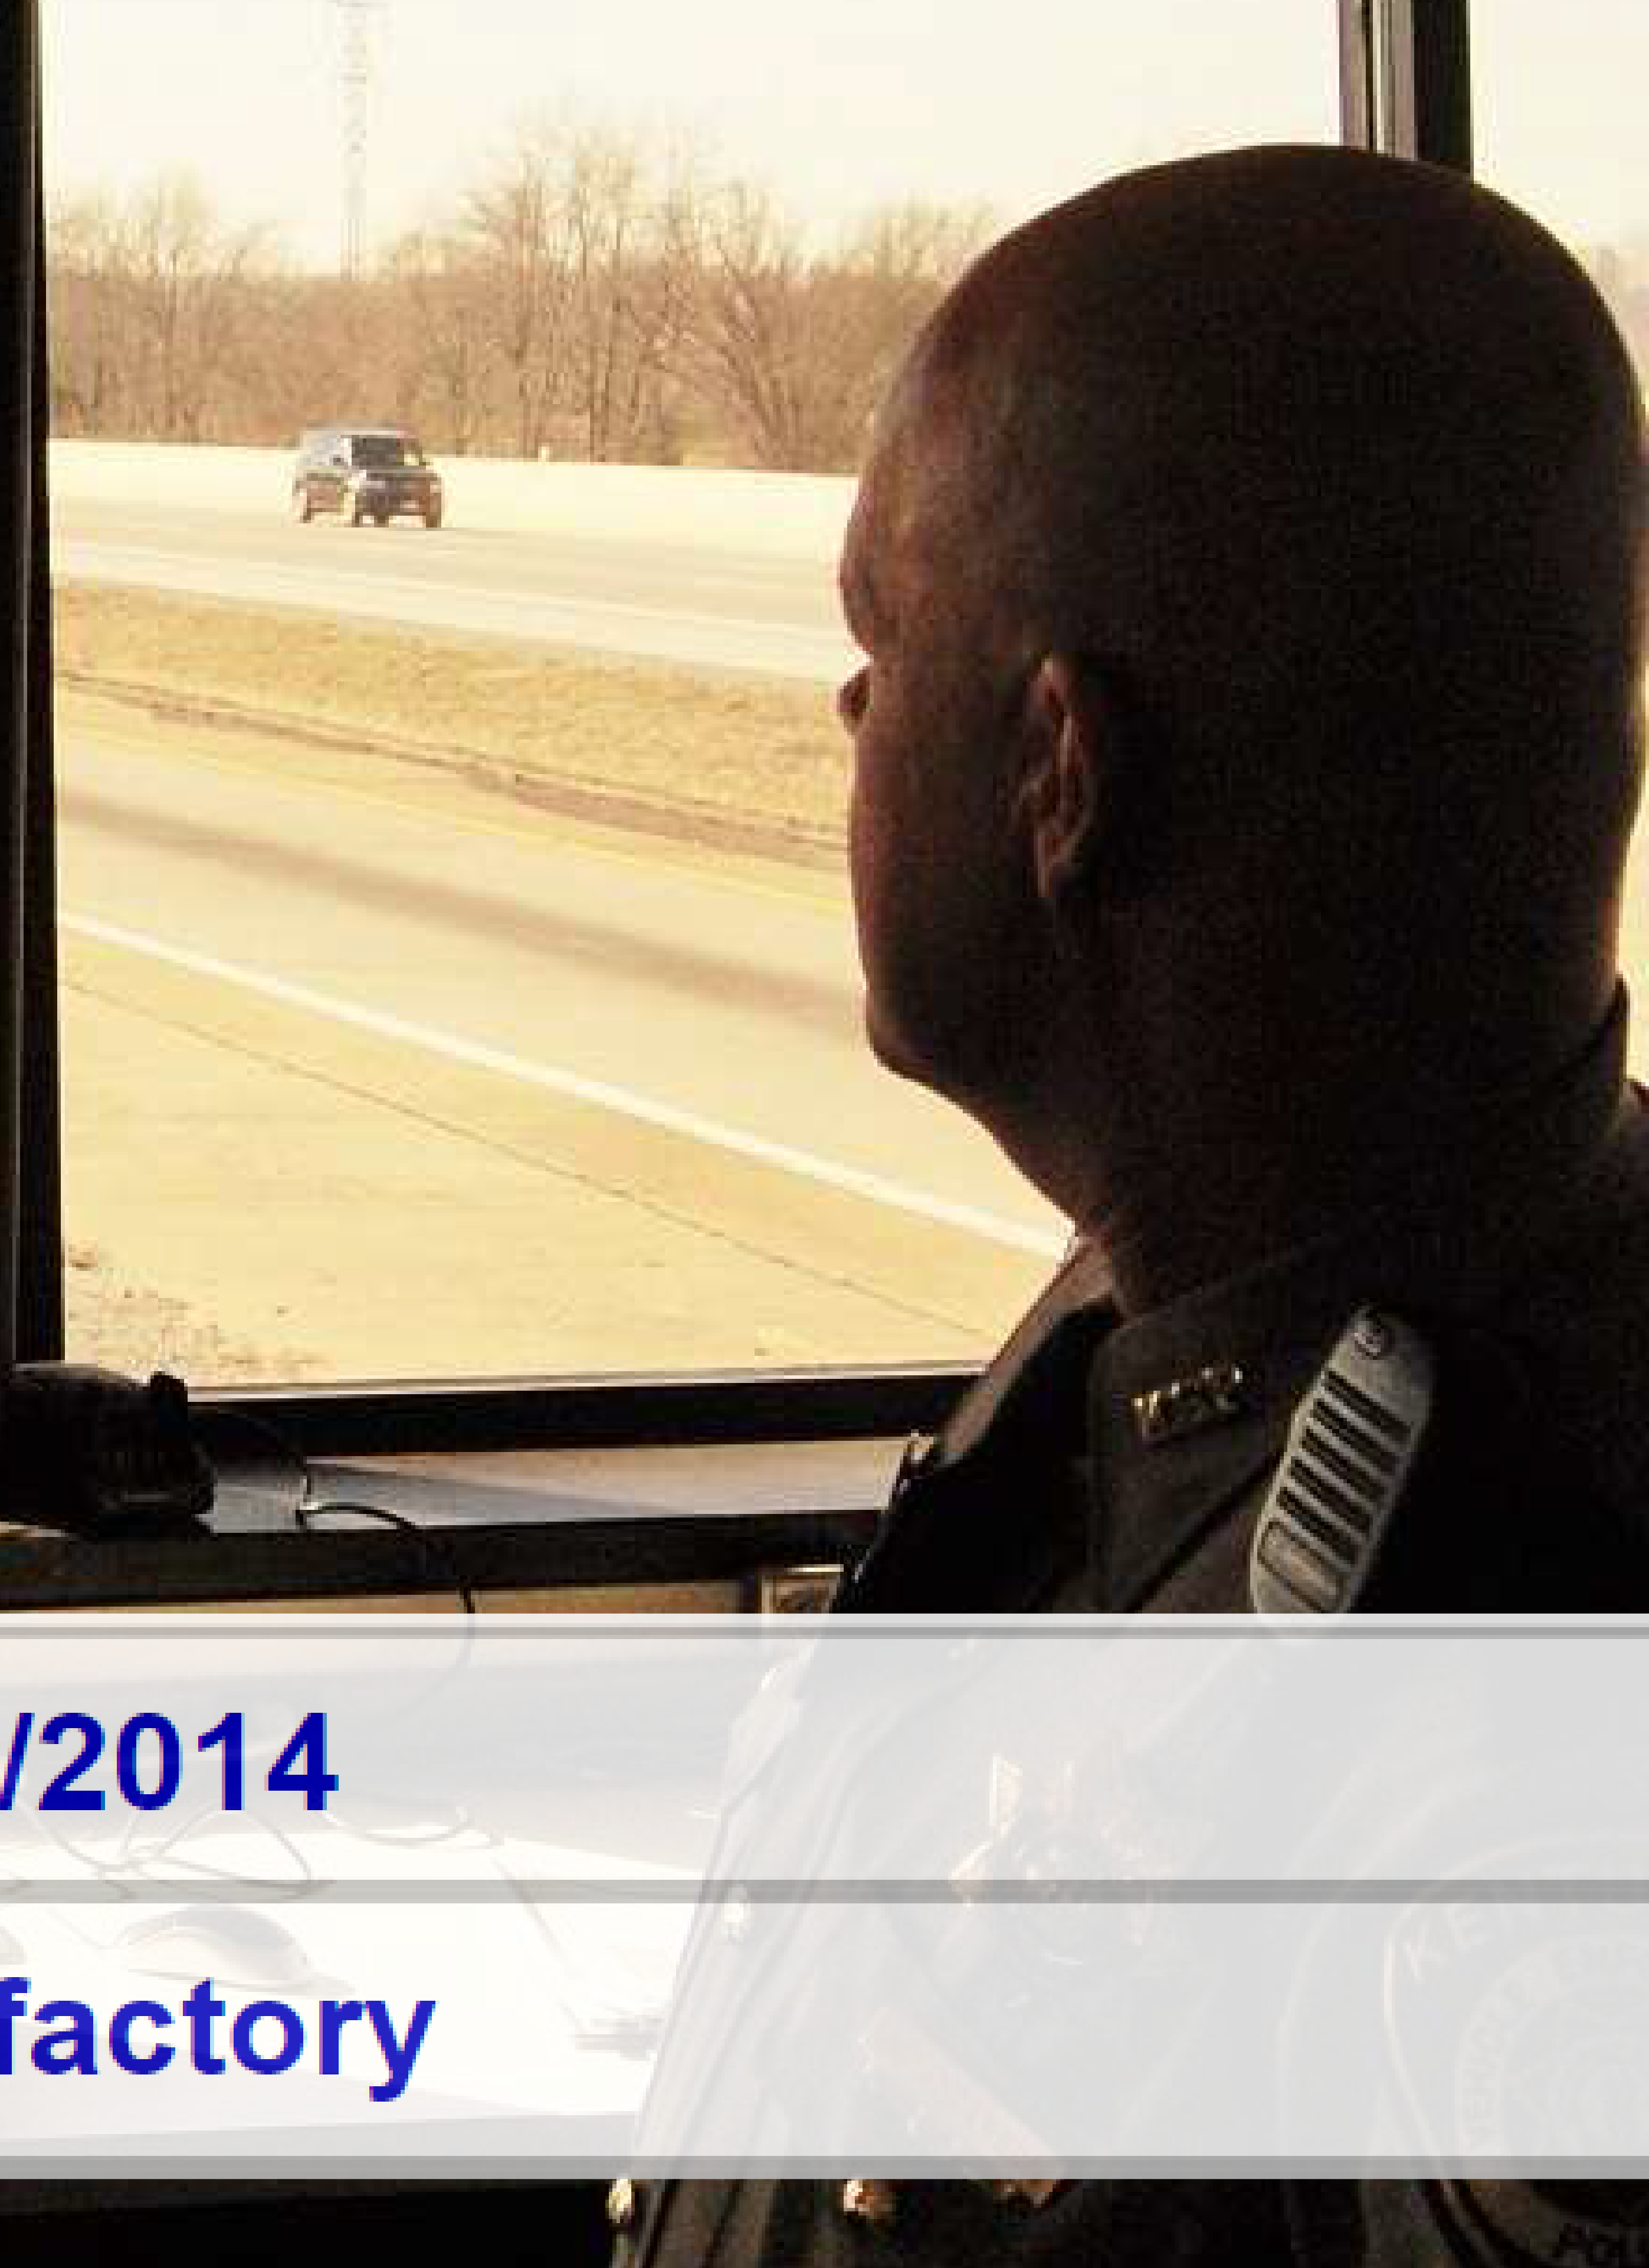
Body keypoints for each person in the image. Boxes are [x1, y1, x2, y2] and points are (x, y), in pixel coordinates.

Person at [625, 145, 1649, 2260]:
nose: (844, 709)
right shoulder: (1163, 1351)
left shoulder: (1532, 1720)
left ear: (1059, 774)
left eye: (879, 638)